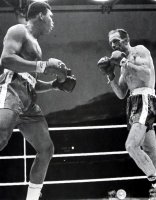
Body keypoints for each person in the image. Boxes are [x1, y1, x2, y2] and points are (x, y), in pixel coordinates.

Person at [0, 1, 76, 200]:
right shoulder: (19, 30)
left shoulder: (37, 45)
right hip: (12, 90)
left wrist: (54, 85)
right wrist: (43, 65)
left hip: (29, 101)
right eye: (51, 17)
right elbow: (6, 60)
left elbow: (31, 81)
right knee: (0, 138)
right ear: (41, 15)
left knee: (46, 149)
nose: (52, 22)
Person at [97, 28, 156, 199]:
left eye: (116, 40)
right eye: (111, 42)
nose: (113, 44)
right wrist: (110, 75)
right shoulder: (123, 67)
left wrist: (125, 62)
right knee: (150, 149)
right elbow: (120, 93)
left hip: (145, 97)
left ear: (126, 39)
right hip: (132, 103)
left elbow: (146, 75)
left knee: (131, 146)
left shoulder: (139, 51)